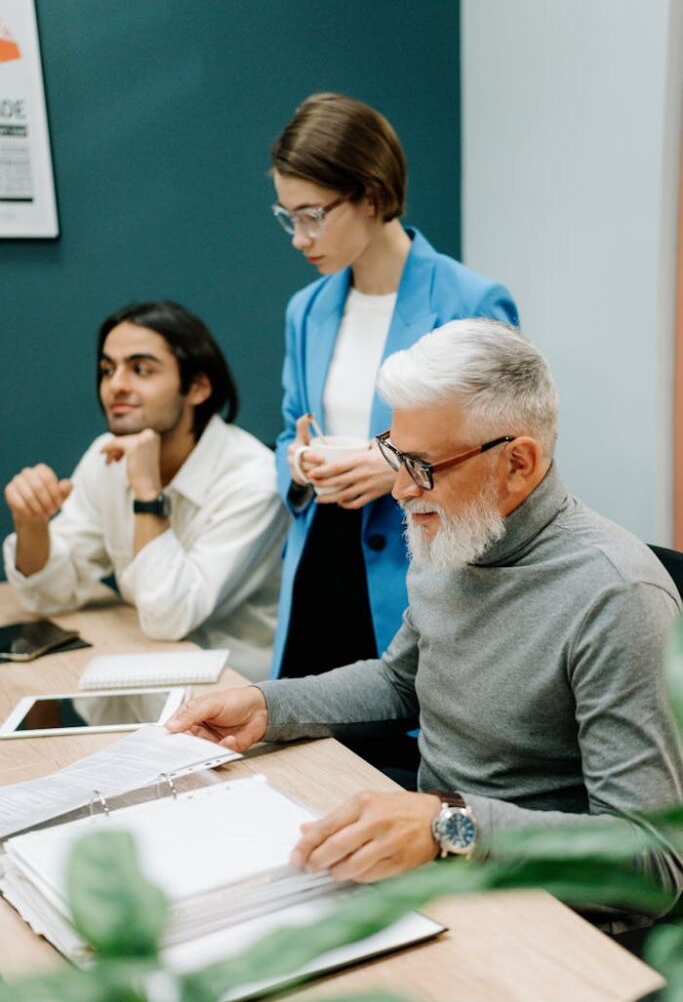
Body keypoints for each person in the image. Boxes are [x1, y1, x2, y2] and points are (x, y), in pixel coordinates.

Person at [168, 319, 683, 919]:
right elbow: (400, 682)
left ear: (518, 463)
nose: (400, 489)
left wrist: (450, 827)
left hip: (546, 910)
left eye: (424, 465)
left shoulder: (618, 595)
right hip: (438, 862)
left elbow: (654, 861)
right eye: (395, 453)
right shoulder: (455, 534)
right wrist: (267, 705)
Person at [269, 92, 519, 702]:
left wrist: (393, 467)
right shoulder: (308, 309)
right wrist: (300, 467)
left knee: (397, 765)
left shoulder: (470, 301)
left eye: (314, 215)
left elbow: (510, 456)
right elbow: (285, 434)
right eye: (287, 217)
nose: (300, 238)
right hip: (320, 570)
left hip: (419, 575)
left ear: (373, 195)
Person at [3, 301, 288, 679]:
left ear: (198, 387)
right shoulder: (108, 455)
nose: (116, 385)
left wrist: (147, 494)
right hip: (137, 671)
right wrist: (32, 525)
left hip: (235, 689)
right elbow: (49, 595)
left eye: (140, 369)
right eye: (108, 369)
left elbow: (168, 618)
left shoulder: (254, 479)